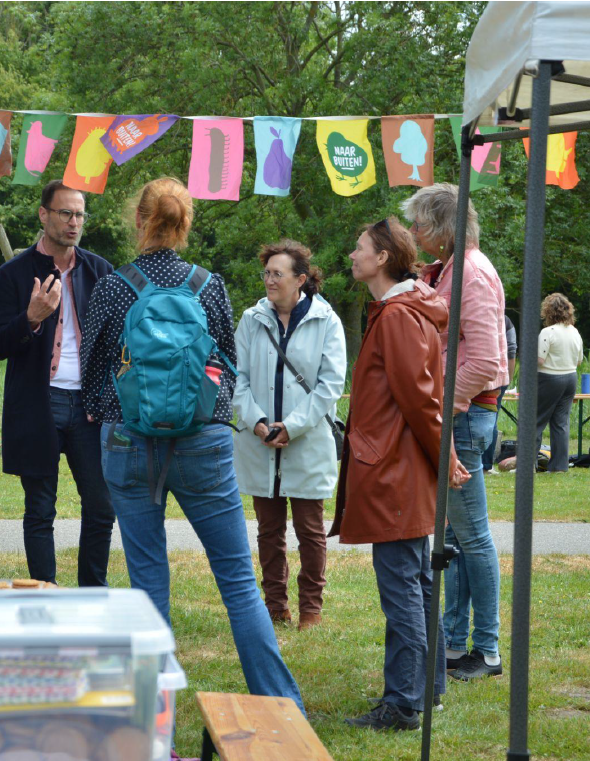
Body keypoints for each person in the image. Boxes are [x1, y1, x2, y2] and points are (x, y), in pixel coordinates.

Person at [81, 177, 304, 710]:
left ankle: (152, 716)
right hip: (203, 445)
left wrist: (109, 408)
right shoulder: (209, 285)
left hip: (128, 442)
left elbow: (90, 371)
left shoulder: (114, 285)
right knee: (236, 578)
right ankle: (280, 705)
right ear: (185, 225)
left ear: (140, 220)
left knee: (147, 581)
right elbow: (226, 365)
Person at [331, 217, 469, 731]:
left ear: (383, 257)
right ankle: (425, 691)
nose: (352, 253)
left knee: (403, 588)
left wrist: (445, 456)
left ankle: (404, 703)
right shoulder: (402, 311)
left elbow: (420, 399)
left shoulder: (396, 316)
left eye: (360, 246)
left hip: (395, 470)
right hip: (399, 465)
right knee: (416, 583)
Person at [402, 183, 508, 682]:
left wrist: (444, 403)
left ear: (444, 228)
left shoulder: (470, 273)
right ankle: (455, 643)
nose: (414, 233)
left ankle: (486, 650)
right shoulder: (449, 270)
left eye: (420, 224)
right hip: (461, 415)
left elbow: (486, 357)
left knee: (472, 536)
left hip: (464, 417)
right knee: (454, 537)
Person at [0, 180, 115, 586]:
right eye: (65, 213)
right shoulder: (15, 273)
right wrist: (32, 317)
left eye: (79, 214)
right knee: (40, 509)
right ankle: (46, 593)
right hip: (39, 403)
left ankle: (92, 594)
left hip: (89, 406)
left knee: (102, 506)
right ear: (44, 215)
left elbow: (115, 341)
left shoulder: (100, 270)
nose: (74, 222)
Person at [231, 239, 345, 631]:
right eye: (266, 273)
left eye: (277, 273)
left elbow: (330, 386)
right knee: (269, 530)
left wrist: (291, 427)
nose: (269, 280)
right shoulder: (251, 318)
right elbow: (238, 378)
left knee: (311, 532)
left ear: (300, 279)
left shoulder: (327, 320)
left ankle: (311, 609)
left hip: (307, 440)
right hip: (260, 441)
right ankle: (275, 605)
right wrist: (258, 421)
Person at [535, 293, 583, 472]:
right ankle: (559, 466)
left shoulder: (548, 332)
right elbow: (579, 361)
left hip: (549, 379)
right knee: (561, 423)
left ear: (548, 311)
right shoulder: (575, 332)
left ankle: (527, 465)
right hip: (570, 378)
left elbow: (539, 360)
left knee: (535, 422)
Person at [482, 315, 517, 474]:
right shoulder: (506, 321)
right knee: (492, 420)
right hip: (498, 377)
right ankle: (486, 465)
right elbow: (511, 351)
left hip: (476, 374)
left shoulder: (475, 313)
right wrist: (507, 380)